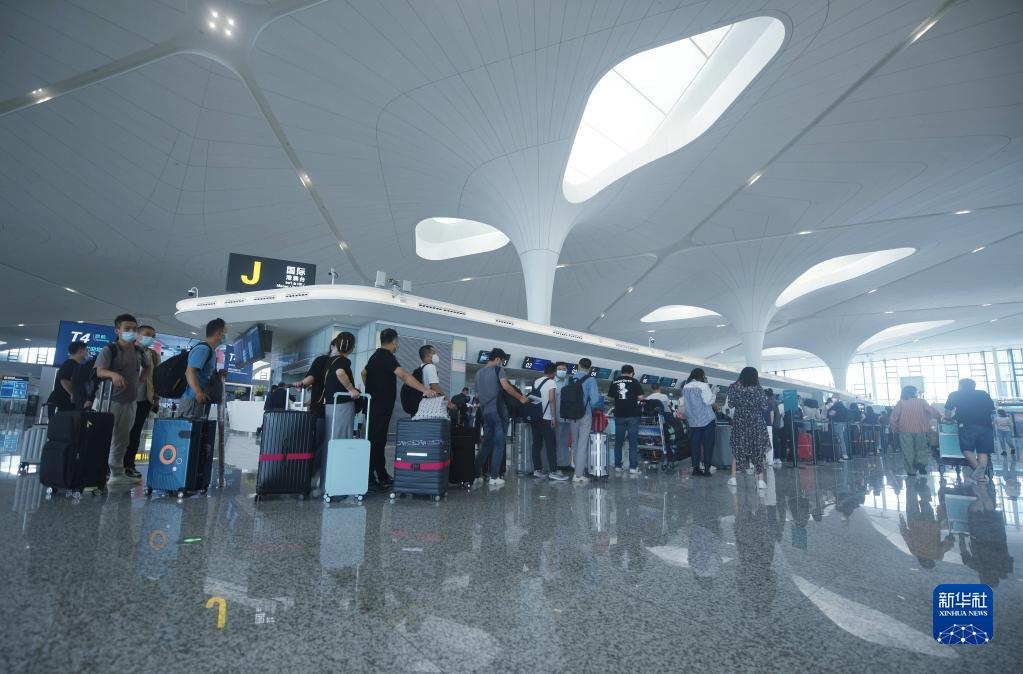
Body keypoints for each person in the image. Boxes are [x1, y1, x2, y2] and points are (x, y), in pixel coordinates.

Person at [361, 328, 438, 489]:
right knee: (376, 442)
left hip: (374, 405)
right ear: (395, 341)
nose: (398, 345)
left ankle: (381, 475)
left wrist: (372, 389)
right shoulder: (386, 356)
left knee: (377, 441)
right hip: (380, 407)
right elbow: (403, 375)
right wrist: (424, 389)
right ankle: (370, 479)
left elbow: (363, 373)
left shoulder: (375, 356)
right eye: (398, 342)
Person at [95, 314, 150, 485]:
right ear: (117, 330)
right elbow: (99, 371)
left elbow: (147, 367)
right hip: (108, 401)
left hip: (130, 401)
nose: (131, 332)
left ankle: (116, 473)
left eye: (134, 329)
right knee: (103, 437)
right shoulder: (109, 349)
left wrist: (141, 379)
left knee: (122, 438)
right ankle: (96, 473)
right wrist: (113, 374)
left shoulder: (139, 351)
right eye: (127, 329)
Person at [472, 348, 527, 487]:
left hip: (485, 412)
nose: (501, 363)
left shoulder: (478, 373)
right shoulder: (498, 370)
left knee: (486, 444)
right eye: (501, 360)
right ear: (497, 359)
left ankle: (476, 474)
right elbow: (506, 387)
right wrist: (520, 397)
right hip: (498, 412)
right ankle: (494, 477)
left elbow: (477, 395)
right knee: (499, 444)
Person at [124, 325, 160, 478]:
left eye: (153, 335)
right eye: (147, 334)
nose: (150, 338)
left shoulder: (153, 355)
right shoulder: (127, 351)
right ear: (137, 335)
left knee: (135, 433)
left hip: (145, 399)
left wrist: (156, 398)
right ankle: (112, 466)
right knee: (121, 433)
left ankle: (129, 465)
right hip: (125, 398)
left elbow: (156, 377)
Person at [559, 357, 602, 483]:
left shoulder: (570, 379)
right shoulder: (591, 380)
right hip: (585, 414)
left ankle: (576, 469)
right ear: (590, 368)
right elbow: (595, 401)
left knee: (575, 443)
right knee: (583, 444)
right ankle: (578, 475)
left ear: (578, 365)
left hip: (572, 415)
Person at [726, 367, 770, 490]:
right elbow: (764, 406)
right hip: (756, 422)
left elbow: (730, 404)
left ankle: (733, 478)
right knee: (758, 449)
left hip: (740, 421)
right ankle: (760, 480)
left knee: (737, 448)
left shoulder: (734, 387)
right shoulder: (758, 389)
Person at [944, 378, 995, 484]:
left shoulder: (955, 394)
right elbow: (992, 409)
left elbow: (948, 410)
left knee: (966, 449)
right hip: (986, 426)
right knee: (983, 451)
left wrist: (948, 420)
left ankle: (979, 472)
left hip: (967, 425)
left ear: (961, 386)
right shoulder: (983, 394)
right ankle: (980, 477)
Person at [889, 385, 942, 477]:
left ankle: (911, 471)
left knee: (908, 450)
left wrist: (895, 428)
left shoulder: (901, 403)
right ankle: (921, 464)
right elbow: (932, 411)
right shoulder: (922, 402)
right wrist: (939, 417)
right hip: (921, 429)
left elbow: (893, 418)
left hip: (905, 430)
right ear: (913, 392)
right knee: (921, 448)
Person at [180, 318, 227, 419]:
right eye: (225, 332)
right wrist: (198, 392)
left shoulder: (211, 351)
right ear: (219, 333)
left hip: (200, 399)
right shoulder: (203, 349)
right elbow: (190, 372)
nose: (226, 336)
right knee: (190, 428)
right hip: (193, 400)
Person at [530, 362, 569, 481]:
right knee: (551, 445)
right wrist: (553, 417)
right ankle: (553, 471)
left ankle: (537, 469)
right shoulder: (551, 382)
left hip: (535, 417)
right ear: (554, 372)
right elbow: (552, 400)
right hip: (546, 418)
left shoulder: (536, 381)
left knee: (536, 444)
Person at [323, 332, 360, 442]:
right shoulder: (343, 360)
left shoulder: (330, 360)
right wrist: (351, 389)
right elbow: (340, 373)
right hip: (343, 405)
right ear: (351, 348)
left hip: (330, 403)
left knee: (331, 437)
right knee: (342, 437)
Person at [609, 365, 645, 475]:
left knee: (618, 442)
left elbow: (610, 397)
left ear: (622, 372)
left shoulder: (614, 381)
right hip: (633, 415)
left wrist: (618, 400)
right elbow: (641, 397)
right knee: (632, 443)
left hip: (619, 415)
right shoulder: (634, 381)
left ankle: (617, 466)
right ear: (632, 373)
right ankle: (633, 468)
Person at [682, 368, 716, 477]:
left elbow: (684, 404)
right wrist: (714, 392)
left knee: (695, 445)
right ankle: (706, 469)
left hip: (693, 422)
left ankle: (695, 469)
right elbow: (709, 401)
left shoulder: (685, 387)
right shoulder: (703, 386)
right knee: (708, 445)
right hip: (706, 420)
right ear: (701, 375)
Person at [46, 341, 88, 420]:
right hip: (64, 404)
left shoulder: (74, 365)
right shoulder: (70, 364)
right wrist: (73, 394)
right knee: (64, 425)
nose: (87, 353)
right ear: (80, 351)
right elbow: (64, 380)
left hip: (66, 404)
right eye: (86, 350)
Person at [827, 396, 851, 462]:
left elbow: (831, 413)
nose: (832, 399)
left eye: (833, 397)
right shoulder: (843, 406)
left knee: (838, 439)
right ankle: (843, 454)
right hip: (842, 423)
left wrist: (829, 409)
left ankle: (842, 454)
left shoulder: (837, 405)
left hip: (836, 423)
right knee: (841, 438)